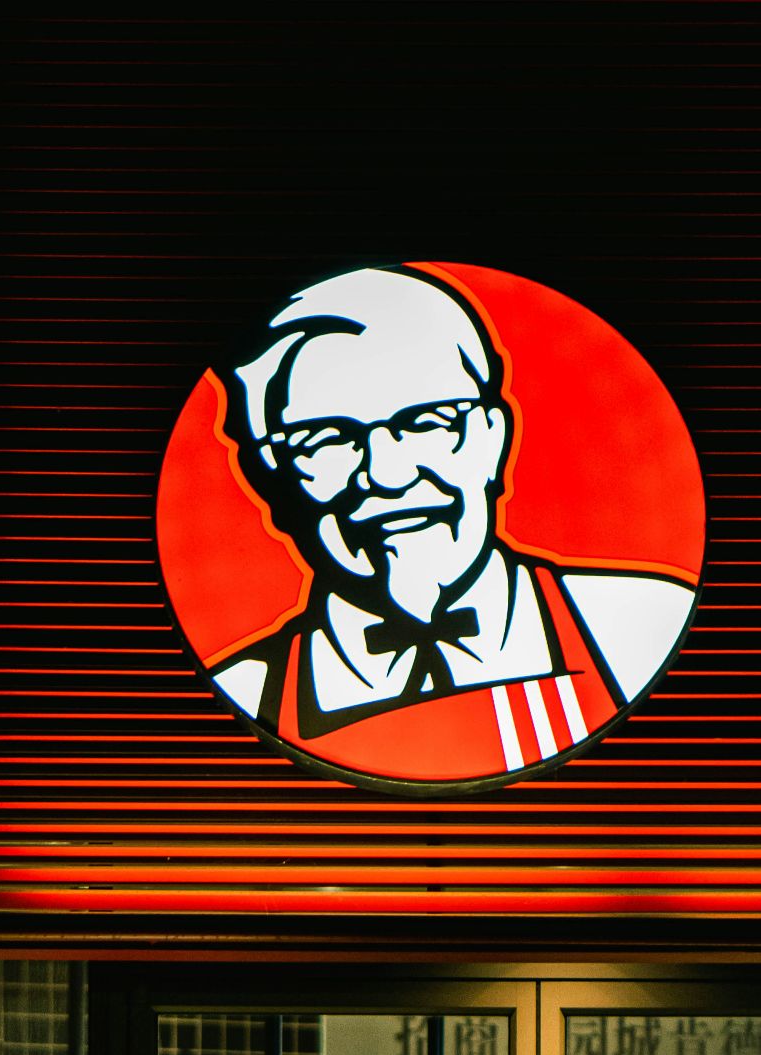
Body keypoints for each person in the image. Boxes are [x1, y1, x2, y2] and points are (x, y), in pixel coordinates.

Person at [210, 265, 696, 783]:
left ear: (493, 438)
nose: (388, 475)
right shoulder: (245, 691)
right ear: (270, 478)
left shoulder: (634, 626)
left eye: (426, 423)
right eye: (327, 440)